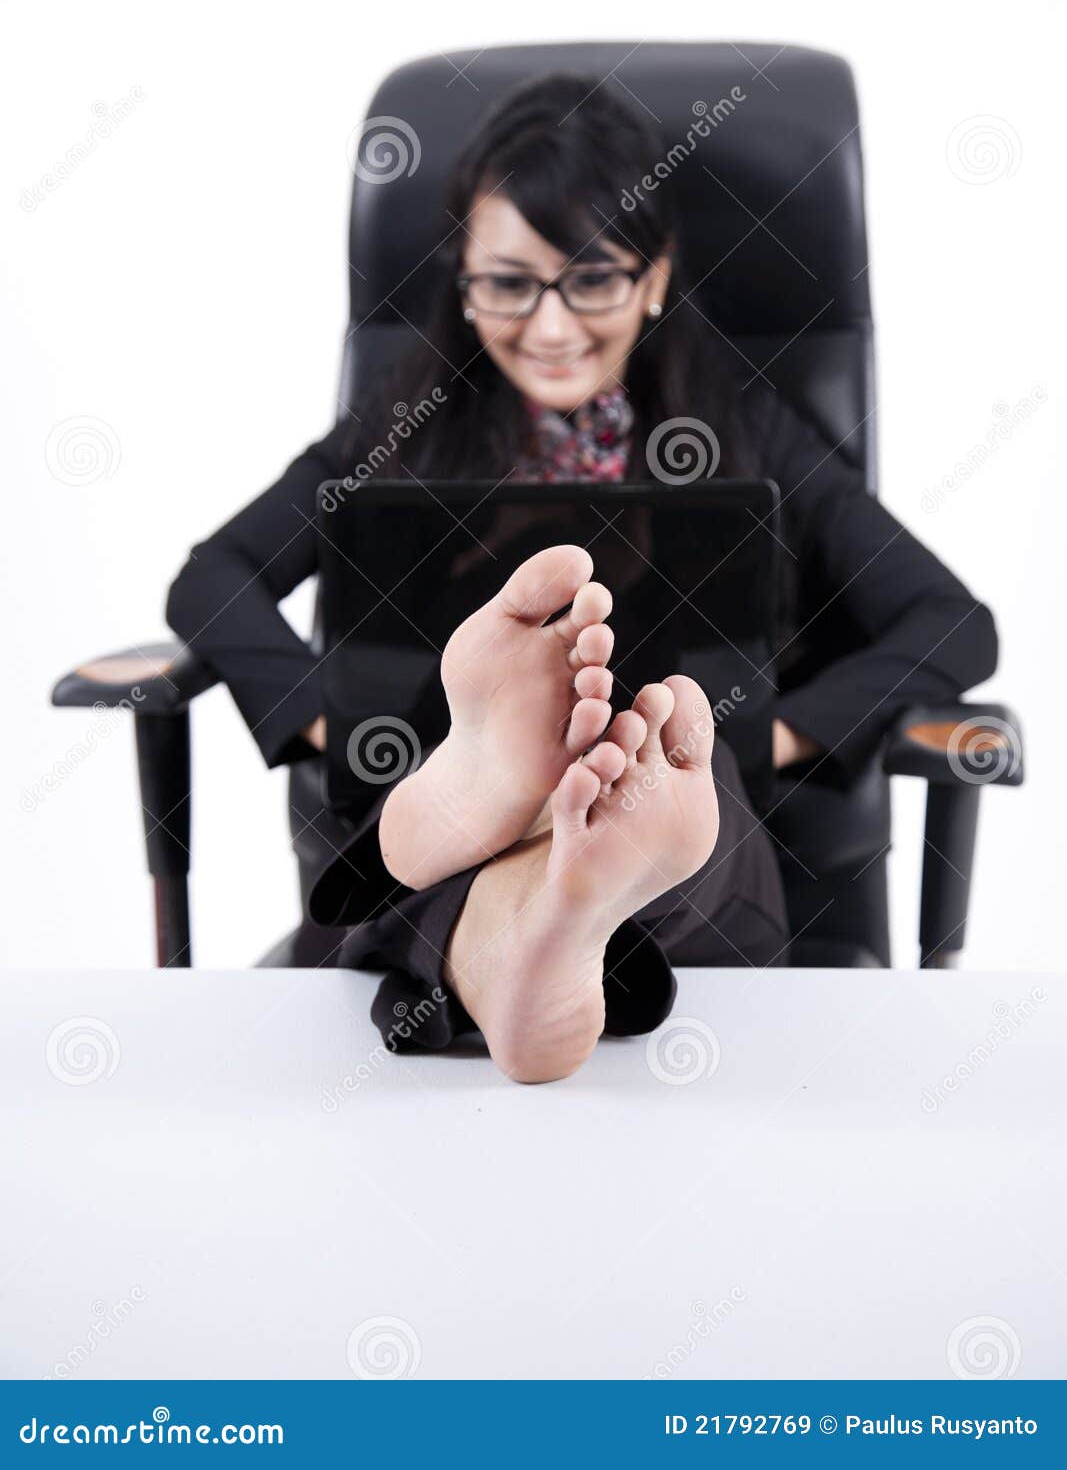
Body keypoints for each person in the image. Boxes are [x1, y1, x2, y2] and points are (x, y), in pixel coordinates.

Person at [165, 72, 998, 1083]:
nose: (550, 329)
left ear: (654, 277)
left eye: (592, 277)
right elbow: (215, 575)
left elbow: (948, 619)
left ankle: (524, 888)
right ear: (462, 281)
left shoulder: (741, 425)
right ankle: (502, 861)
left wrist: (771, 729)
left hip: (683, 841)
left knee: (678, 775)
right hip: (431, 788)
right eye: (509, 283)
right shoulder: (401, 425)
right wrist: (321, 720)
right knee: (436, 819)